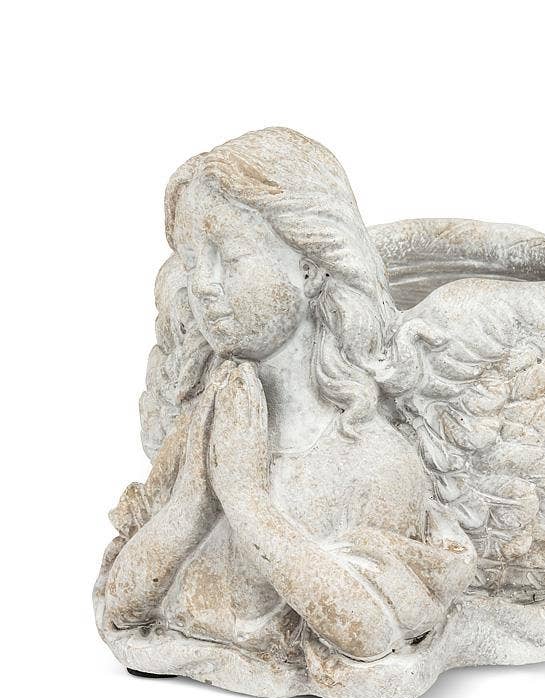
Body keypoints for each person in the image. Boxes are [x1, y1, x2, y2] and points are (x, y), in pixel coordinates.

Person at [100, 128, 475, 664]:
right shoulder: (205, 428)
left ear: (311, 266)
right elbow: (121, 607)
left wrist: (246, 503)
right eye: (192, 262)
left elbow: (373, 634)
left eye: (230, 257)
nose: (203, 284)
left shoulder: (373, 461)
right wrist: (191, 504)